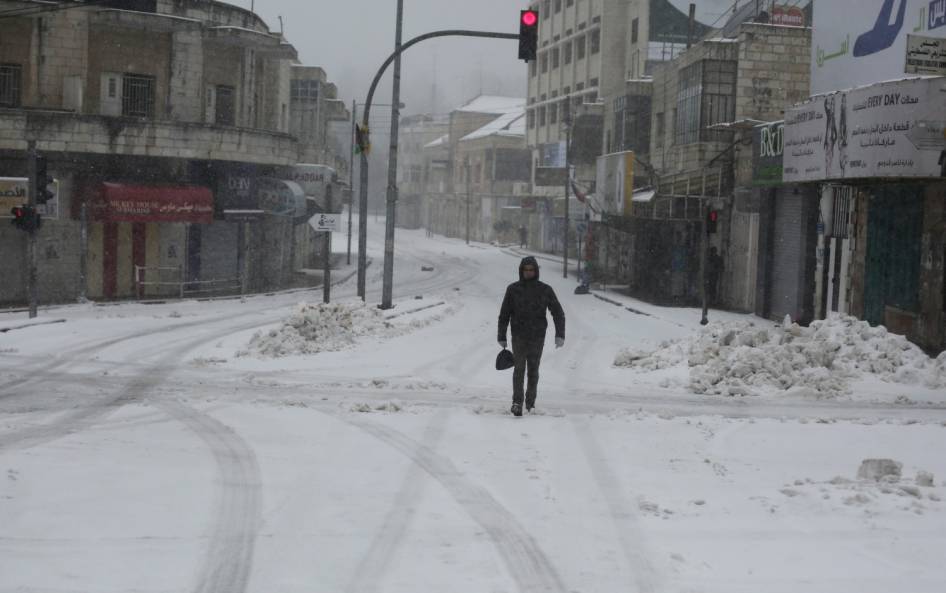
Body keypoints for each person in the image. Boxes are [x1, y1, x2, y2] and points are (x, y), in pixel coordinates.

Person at [498, 256, 565, 416]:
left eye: (531, 269)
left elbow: (558, 313)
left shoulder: (545, 290)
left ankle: (530, 402)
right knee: (519, 370)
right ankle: (517, 402)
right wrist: (502, 335)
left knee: (533, 371)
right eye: (525, 269)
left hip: (537, 336)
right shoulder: (513, 289)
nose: (528, 272)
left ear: (536, 271)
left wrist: (560, 334)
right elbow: (504, 314)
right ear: (521, 271)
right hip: (519, 336)